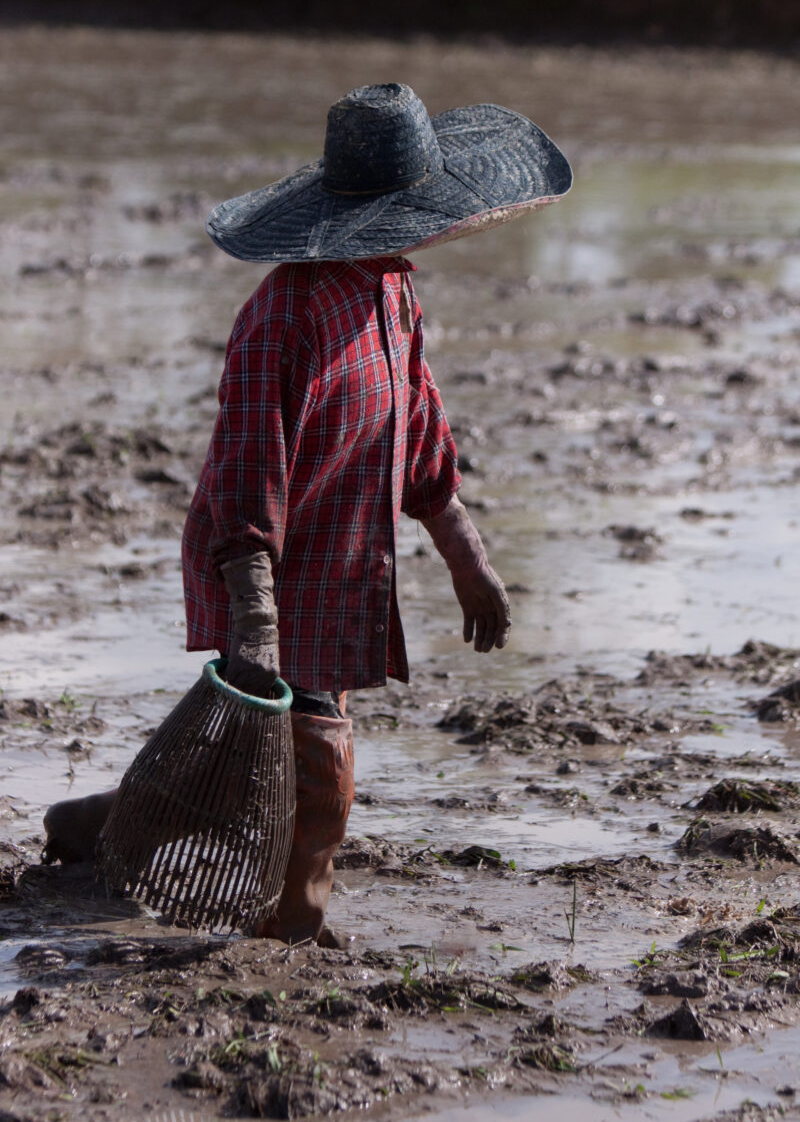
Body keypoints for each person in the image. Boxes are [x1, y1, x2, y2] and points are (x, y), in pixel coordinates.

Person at [43, 83, 571, 945]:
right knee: (319, 757)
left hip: (343, 557)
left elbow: (423, 433)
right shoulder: (281, 319)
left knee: (239, 755)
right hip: (269, 566)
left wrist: (465, 552)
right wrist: (254, 619)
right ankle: (297, 919)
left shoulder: (393, 292)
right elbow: (246, 473)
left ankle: (99, 828)